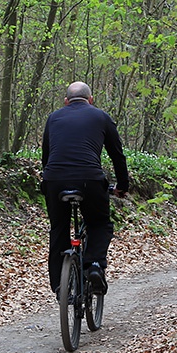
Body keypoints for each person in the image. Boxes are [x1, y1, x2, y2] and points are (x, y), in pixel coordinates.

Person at [41, 81, 129, 297]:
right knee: (99, 223)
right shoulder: (100, 116)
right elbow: (117, 156)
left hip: (55, 180)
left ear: (65, 101)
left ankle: (60, 286)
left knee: (59, 228)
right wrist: (122, 186)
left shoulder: (53, 118)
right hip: (90, 180)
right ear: (91, 100)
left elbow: (46, 156)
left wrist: (48, 183)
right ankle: (95, 265)